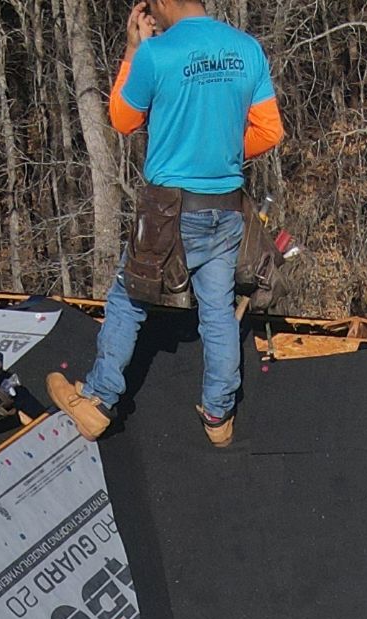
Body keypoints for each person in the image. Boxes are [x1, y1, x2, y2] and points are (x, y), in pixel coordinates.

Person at [47, 0, 282, 448]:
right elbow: (269, 131)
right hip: (227, 207)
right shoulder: (246, 48)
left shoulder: (159, 53)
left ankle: (97, 401)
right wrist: (224, 155)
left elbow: (122, 119)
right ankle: (219, 414)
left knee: (127, 298)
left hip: (168, 210)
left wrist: (134, 50)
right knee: (216, 310)